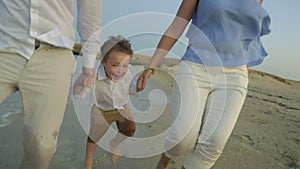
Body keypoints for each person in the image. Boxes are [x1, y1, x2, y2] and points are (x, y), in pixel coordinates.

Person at [137, 0, 271, 169]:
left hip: (235, 75)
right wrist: (151, 67)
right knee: (182, 138)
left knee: (214, 142)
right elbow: (176, 27)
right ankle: (165, 159)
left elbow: (248, 28)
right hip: (196, 67)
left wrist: (247, 64)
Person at [0, 1, 102, 169]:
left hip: (54, 54)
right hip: (4, 46)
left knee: (41, 148)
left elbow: (90, 11)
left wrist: (88, 66)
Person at [83, 35, 136, 169]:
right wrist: (83, 84)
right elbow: (81, 89)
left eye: (125, 66)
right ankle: (88, 158)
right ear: (103, 62)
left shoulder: (127, 74)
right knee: (94, 137)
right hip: (101, 109)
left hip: (121, 106)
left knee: (129, 129)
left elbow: (130, 89)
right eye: (115, 65)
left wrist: (138, 87)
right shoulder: (94, 77)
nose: (120, 71)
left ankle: (114, 143)